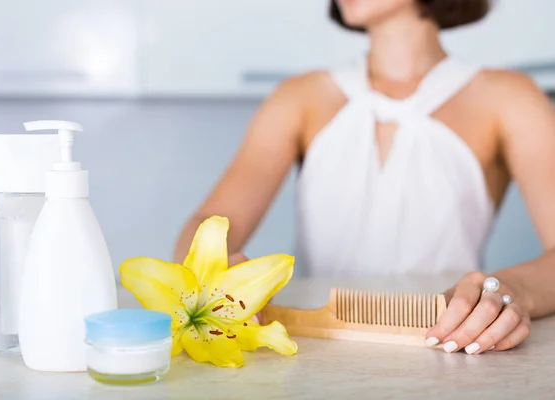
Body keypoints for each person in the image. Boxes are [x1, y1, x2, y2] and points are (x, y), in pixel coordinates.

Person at [173, 0, 555, 355]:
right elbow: (209, 224)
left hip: (445, 347)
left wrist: (509, 290)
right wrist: (213, 273)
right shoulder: (298, 98)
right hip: (315, 350)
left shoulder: (510, 99)